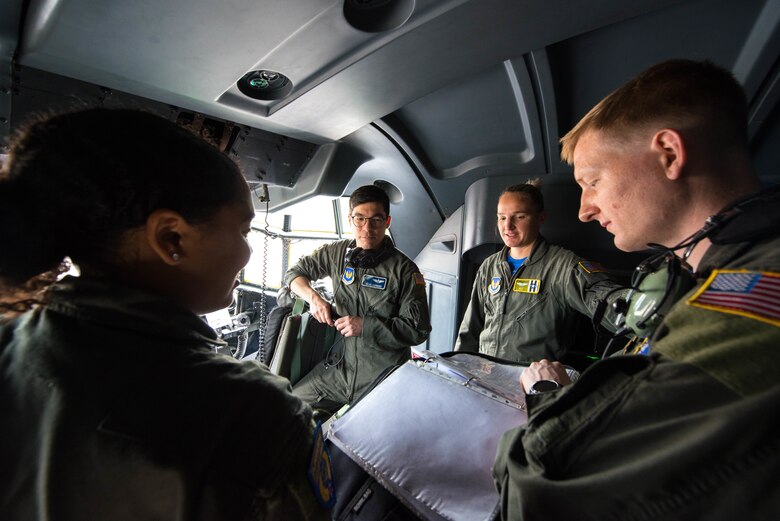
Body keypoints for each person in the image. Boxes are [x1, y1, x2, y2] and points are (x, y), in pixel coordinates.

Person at [0, 108, 331, 520]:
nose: (247, 252)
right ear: (171, 237)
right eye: (243, 230)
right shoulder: (256, 415)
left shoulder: (8, 342)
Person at [493, 59, 780, 520]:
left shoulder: (753, 296)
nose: (585, 210)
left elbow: (542, 484)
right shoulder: (690, 277)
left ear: (668, 153)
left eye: (592, 181)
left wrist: (550, 395)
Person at [285, 184, 431, 415]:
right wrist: (314, 298)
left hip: (382, 375)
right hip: (339, 369)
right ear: (350, 219)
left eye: (376, 220)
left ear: (387, 222)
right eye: (359, 219)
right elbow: (294, 274)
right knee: (287, 408)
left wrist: (365, 326)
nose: (367, 228)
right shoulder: (336, 253)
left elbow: (417, 330)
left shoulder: (405, 271)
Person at [454, 179, 627, 364]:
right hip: (486, 378)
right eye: (502, 217)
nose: (508, 226)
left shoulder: (562, 267)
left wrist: (641, 313)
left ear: (540, 218)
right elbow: (470, 331)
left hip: (533, 384)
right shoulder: (489, 267)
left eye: (519, 216)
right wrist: (458, 369)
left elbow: (612, 304)